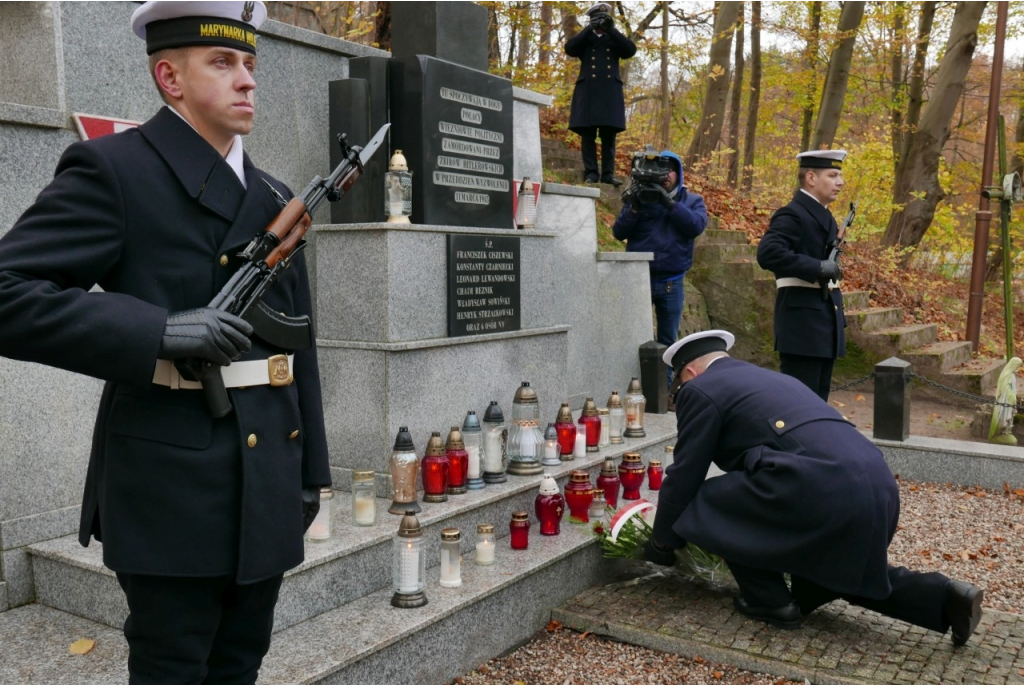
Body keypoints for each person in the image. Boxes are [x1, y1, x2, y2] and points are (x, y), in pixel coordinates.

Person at [0, 2, 331, 682]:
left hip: (267, 469)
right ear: (170, 78)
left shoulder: (273, 193)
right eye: (222, 62)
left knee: (241, 663)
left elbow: (297, 348)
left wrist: (310, 471)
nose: (246, 80)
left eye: (249, 63)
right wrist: (156, 330)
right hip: (170, 482)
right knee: (172, 668)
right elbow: (8, 290)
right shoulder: (114, 170)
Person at [644, 330, 984, 646]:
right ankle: (947, 597)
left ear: (689, 372)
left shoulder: (701, 389)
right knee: (838, 574)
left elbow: (686, 473)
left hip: (817, 489)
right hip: (875, 486)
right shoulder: (772, 378)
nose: (680, 395)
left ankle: (771, 602)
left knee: (708, 501)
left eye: (678, 388)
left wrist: (662, 541)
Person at [612, 150, 708, 393]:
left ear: (679, 173)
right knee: (631, 337)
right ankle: (629, 387)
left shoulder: (691, 201)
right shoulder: (641, 198)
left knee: (668, 342)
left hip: (671, 282)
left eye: (669, 170)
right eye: (660, 171)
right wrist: (634, 207)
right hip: (637, 280)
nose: (665, 176)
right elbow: (618, 232)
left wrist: (669, 203)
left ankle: (665, 392)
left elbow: (695, 226)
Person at [756, 149, 848, 401]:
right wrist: (818, 267)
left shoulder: (823, 215)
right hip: (803, 327)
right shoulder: (793, 213)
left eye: (839, 175)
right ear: (810, 177)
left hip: (821, 323)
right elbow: (768, 253)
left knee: (816, 404)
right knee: (798, 406)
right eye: (833, 175)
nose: (840, 182)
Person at [565, 2, 637, 186]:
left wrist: (612, 30)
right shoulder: (585, 39)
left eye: (604, 19)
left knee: (608, 135)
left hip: (609, 92)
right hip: (588, 91)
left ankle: (607, 174)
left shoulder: (614, 39)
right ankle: (591, 172)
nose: (601, 24)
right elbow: (570, 48)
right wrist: (589, 29)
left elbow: (630, 50)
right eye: (598, 19)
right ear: (591, 19)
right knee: (588, 134)